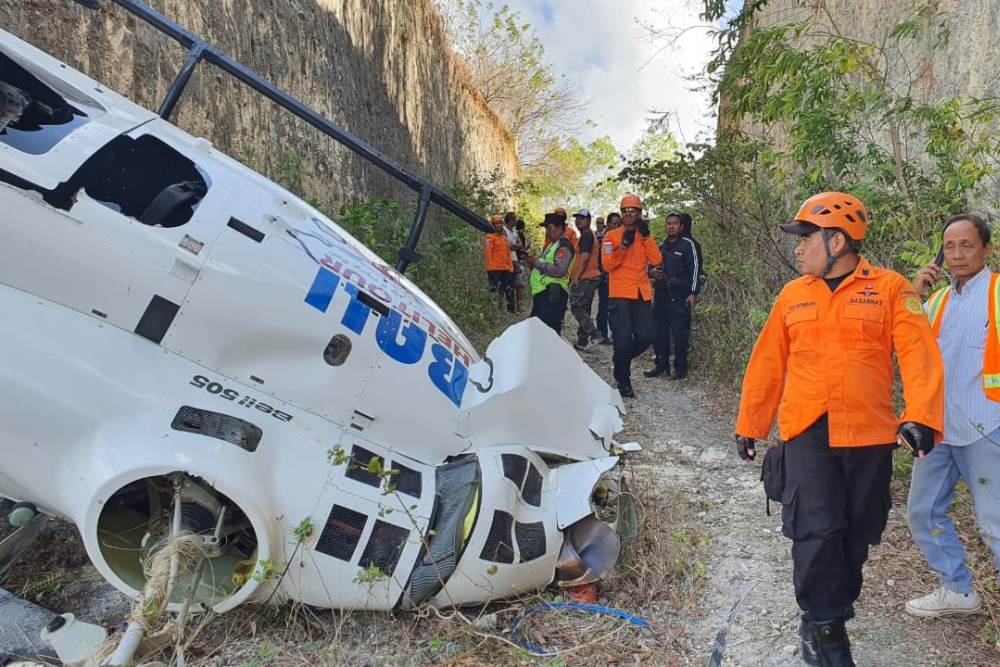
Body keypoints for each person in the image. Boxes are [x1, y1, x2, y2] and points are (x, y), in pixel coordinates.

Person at [734, 192, 944, 666]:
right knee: (818, 529)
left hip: (868, 432)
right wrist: (751, 423)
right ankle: (823, 628)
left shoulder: (891, 289)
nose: (798, 247)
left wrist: (921, 416)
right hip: (806, 430)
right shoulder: (793, 295)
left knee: (857, 532)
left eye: (805, 238)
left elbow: (918, 354)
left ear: (838, 240)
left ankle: (831, 609)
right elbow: (768, 361)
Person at [904, 213, 1000, 618]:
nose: (957, 254)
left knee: (994, 526)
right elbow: (908, 347)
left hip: (987, 428)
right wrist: (914, 296)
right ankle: (958, 590)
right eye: (949, 247)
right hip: (940, 430)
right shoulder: (938, 300)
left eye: (967, 245)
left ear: (986, 250)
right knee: (922, 512)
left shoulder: (996, 293)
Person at [602, 194, 662, 398]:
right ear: (621, 213)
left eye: (633, 211)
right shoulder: (611, 236)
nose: (629, 214)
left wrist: (646, 238)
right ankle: (624, 381)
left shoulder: (644, 235)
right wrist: (624, 247)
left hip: (641, 293)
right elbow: (607, 265)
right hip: (619, 294)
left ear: (639, 213)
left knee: (646, 337)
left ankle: (621, 359)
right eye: (625, 211)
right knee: (623, 338)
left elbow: (656, 259)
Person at [645, 213, 700, 379]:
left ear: (681, 226)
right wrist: (651, 271)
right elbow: (649, 265)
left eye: (674, 223)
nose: (671, 226)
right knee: (658, 332)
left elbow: (696, 270)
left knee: (680, 333)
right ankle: (662, 366)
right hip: (661, 294)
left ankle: (680, 369)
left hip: (680, 295)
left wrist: (693, 293)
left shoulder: (689, 245)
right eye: (668, 223)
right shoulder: (661, 246)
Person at [525, 213, 574, 334]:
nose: (547, 232)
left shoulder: (564, 246)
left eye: (550, 228)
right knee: (539, 332)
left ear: (560, 228)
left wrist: (536, 263)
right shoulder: (553, 244)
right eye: (546, 229)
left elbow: (559, 270)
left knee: (548, 334)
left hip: (552, 294)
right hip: (545, 293)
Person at [569, 209, 601, 350]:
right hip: (588, 277)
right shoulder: (586, 235)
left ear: (588, 221)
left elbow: (585, 257)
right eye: (577, 218)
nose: (578, 221)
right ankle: (582, 341)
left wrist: (576, 276)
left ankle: (594, 334)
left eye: (582, 218)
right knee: (585, 308)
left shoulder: (587, 234)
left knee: (576, 307)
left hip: (585, 277)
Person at [594, 212, 620, 345]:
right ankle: (602, 334)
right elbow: (606, 259)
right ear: (608, 224)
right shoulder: (605, 238)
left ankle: (616, 335)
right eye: (613, 223)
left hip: (619, 279)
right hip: (605, 277)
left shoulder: (622, 237)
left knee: (616, 308)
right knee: (604, 306)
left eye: (618, 224)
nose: (616, 226)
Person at [483, 214, 514, 312]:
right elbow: (488, 254)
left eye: (501, 223)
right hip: (494, 269)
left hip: (506, 269)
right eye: (497, 223)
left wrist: (510, 268)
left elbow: (508, 254)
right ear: (493, 225)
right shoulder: (489, 237)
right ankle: (494, 312)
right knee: (494, 292)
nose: (500, 225)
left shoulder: (504, 238)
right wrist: (490, 269)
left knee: (509, 290)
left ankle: (510, 311)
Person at [503, 212, 523, 310]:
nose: (516, 221)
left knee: (519, 283)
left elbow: (520, 244)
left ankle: (519, 306)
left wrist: (514, 246)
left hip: (515, 260)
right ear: (510, 220)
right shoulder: (504, 230)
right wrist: (514, 246)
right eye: (514, 219)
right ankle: (510, 307)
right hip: (507, 260)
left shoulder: (514, 231)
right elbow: (507, 246)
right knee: (509, 284)